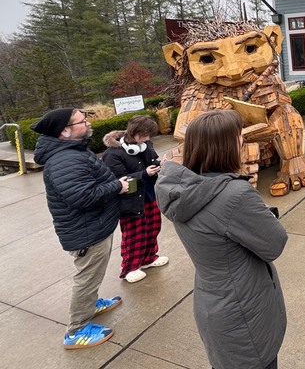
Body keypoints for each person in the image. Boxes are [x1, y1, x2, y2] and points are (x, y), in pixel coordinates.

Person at [155, 110, 287, 369]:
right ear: (225, 146)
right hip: (244, 312)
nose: (242, 142)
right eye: (239, 137)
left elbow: (217, 229)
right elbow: (275, 243)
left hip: (213, 302)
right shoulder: (233, 195)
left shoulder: (183, 189)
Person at [32, 108, 128, 349]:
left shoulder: (71, 150)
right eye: (82, 121)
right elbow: (83, 197)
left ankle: (91, 304)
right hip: (86, 232)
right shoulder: (65, 159)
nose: (87, 123)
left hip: (92, 227)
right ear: (64, 131)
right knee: (86, 278)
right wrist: (116, 186)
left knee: (92, 275)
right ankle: (76, 330)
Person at [103, 116, 168, 283]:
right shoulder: (113, 154)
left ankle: (148, 258)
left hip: (149, 195)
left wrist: (161, 163)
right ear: (136, 132)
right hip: (129, 201)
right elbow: (117, 179)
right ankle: (130, 268)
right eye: (146, 135)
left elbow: (152, 161)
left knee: (153, 228)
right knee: (133, 234)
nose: (148, 139)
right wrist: (144, 174)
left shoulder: (146, 146)